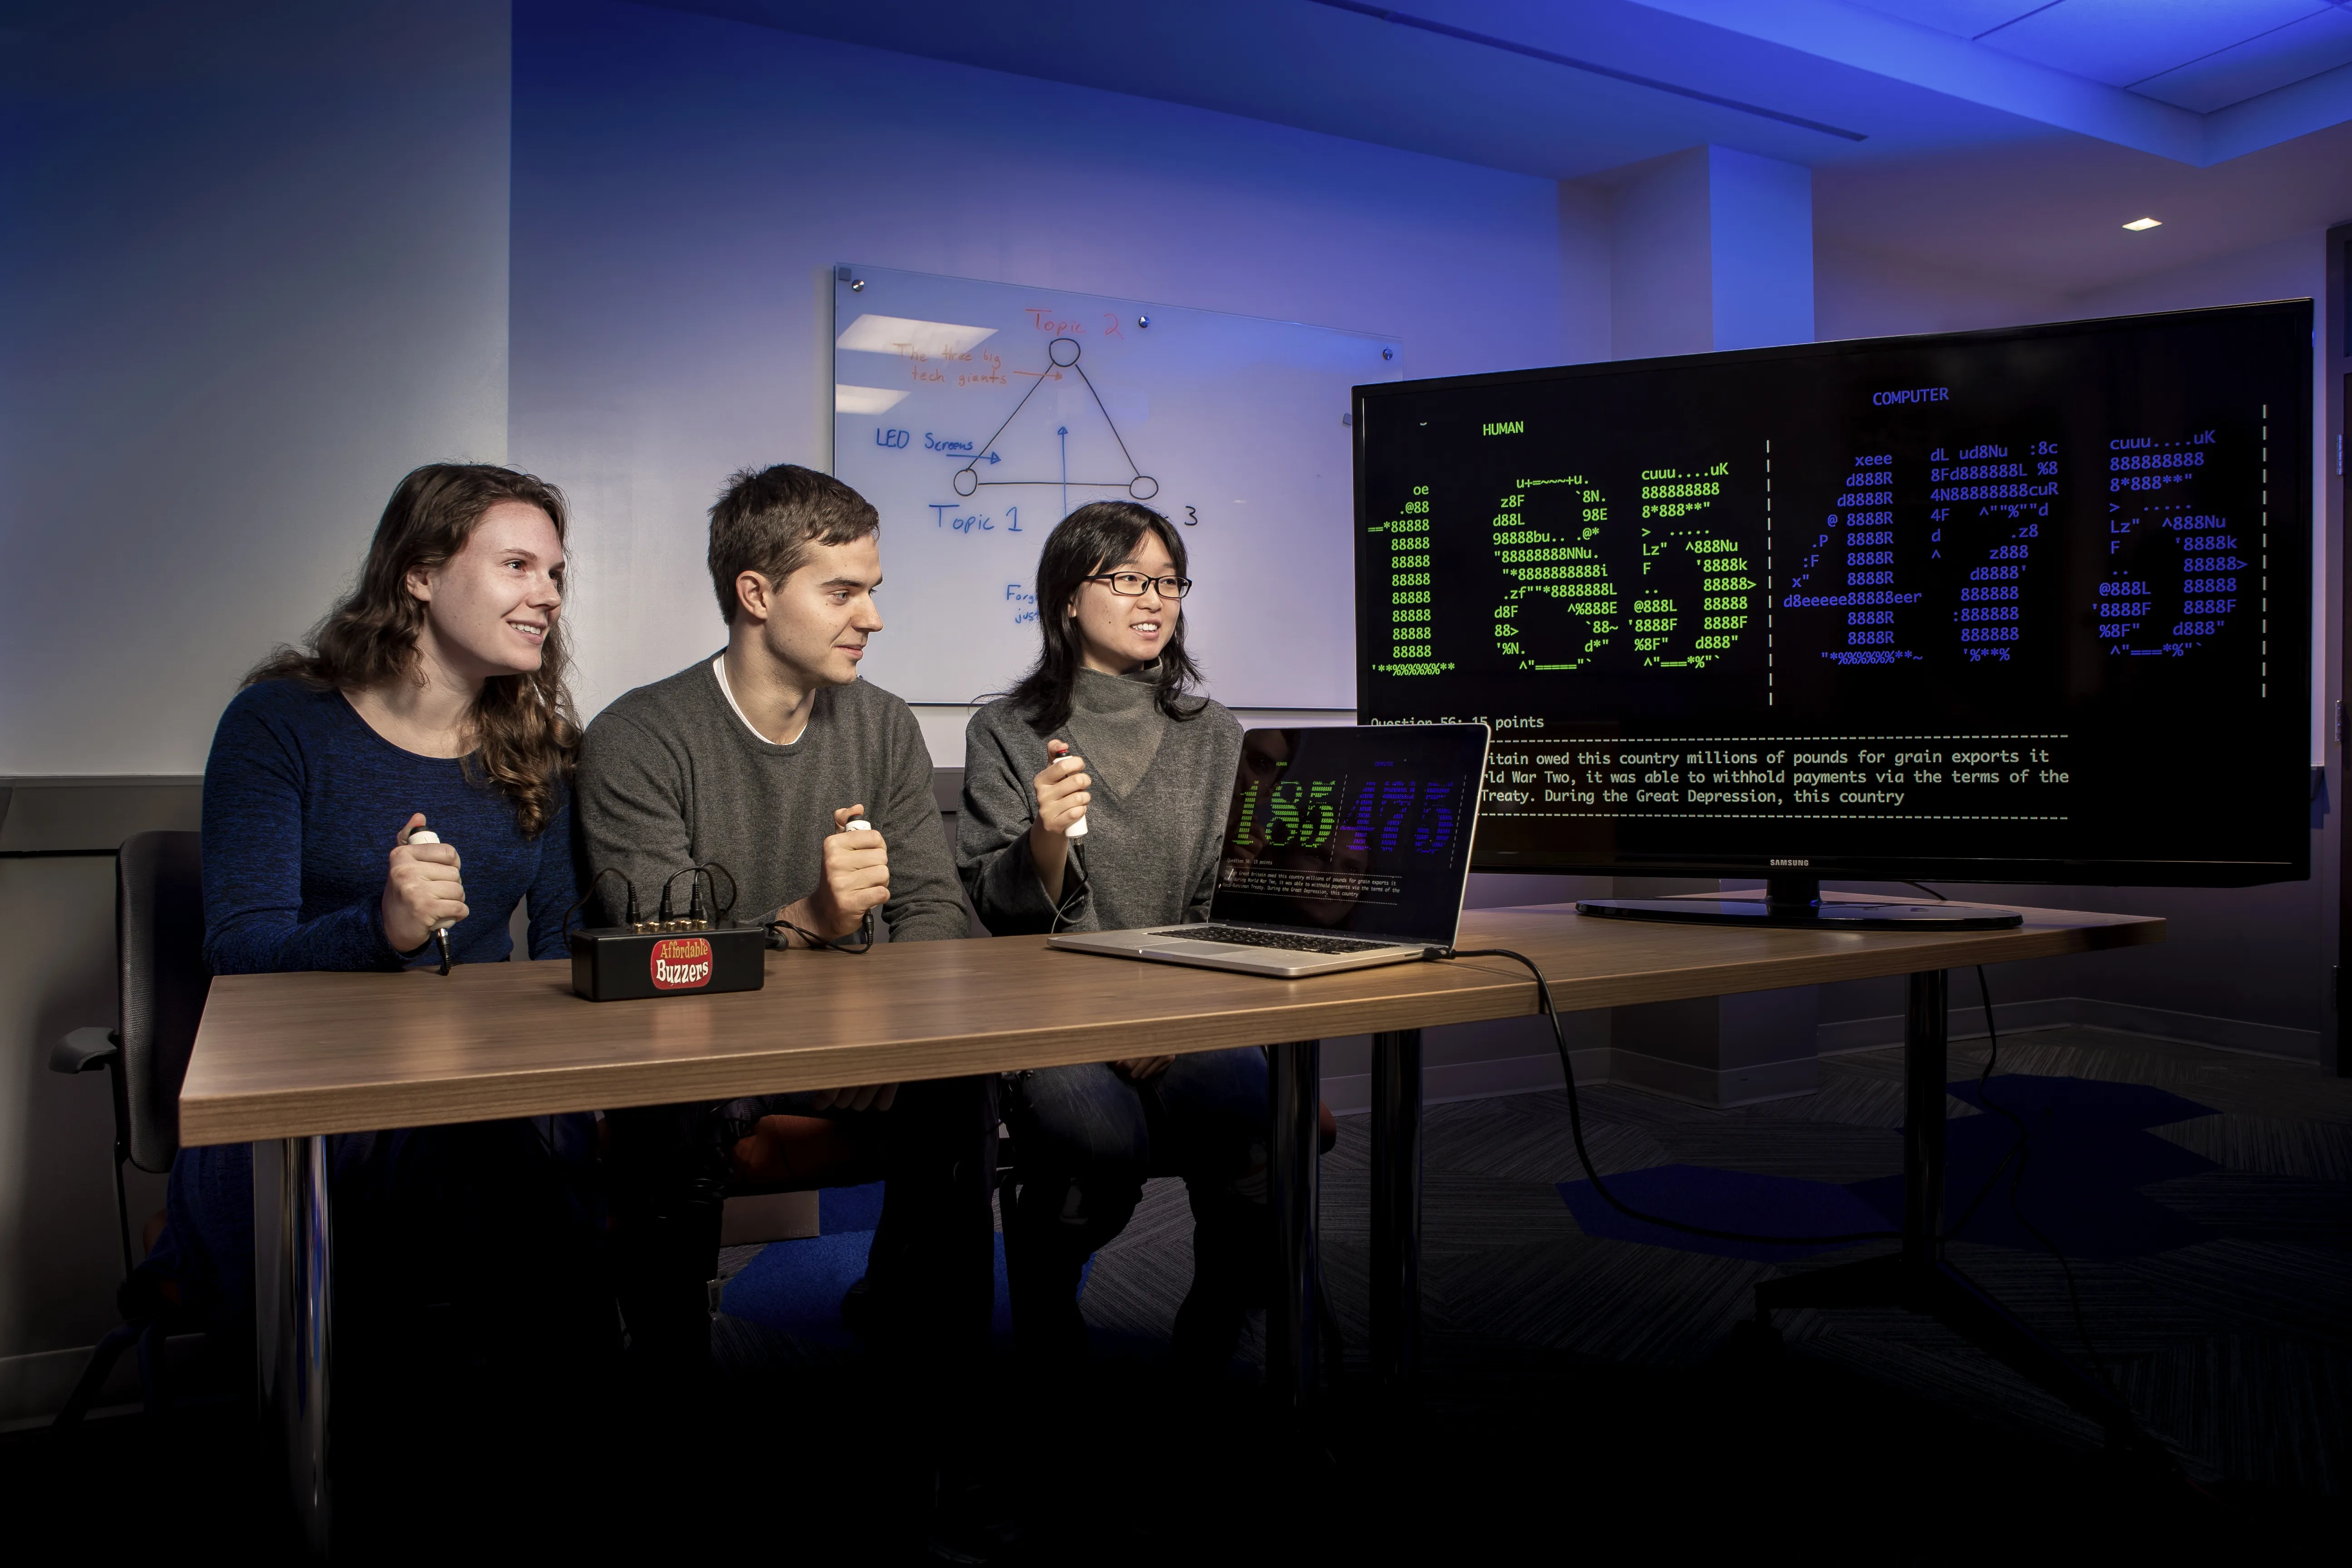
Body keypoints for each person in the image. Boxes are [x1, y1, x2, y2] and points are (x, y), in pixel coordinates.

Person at [146, 463, 602, 1376]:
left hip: (466, 1091)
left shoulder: (541, 748)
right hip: (298, 1093)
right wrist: (384, 929)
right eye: (518, 566)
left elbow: (564, 945)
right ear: (420, 574)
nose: (549, 595)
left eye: (555, 573)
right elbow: (238, 949)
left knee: (540, 1206)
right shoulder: (279, 724)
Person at [573, 463, 993, 1397]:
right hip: (705, 1050)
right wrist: (811, 921)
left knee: (963, 1078)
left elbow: (933, 913)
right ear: (756, 594)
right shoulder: (639, 736)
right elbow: (661, 953)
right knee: (673, 1107)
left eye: (872, 590)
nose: (872, 618)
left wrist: (892, 1026)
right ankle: (670, 1374)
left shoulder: (883, 726)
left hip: (855, 1037)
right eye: (842, 593)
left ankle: (933, 1364)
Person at [958, 500, 1268, 1376]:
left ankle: (1215, 1324)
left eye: (1168, 582)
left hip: (1185, 1002)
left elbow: (1222, 902)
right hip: (1059, 1015)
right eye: (1128, 578)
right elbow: (994, 901)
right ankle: (1049, 1316)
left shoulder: (1214, 735)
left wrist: (1172, 1011)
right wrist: (1046, 841)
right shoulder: (1007, 730)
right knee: (1097, 1144)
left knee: (1254, 1109)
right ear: (1068, 596)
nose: (1153, 599)